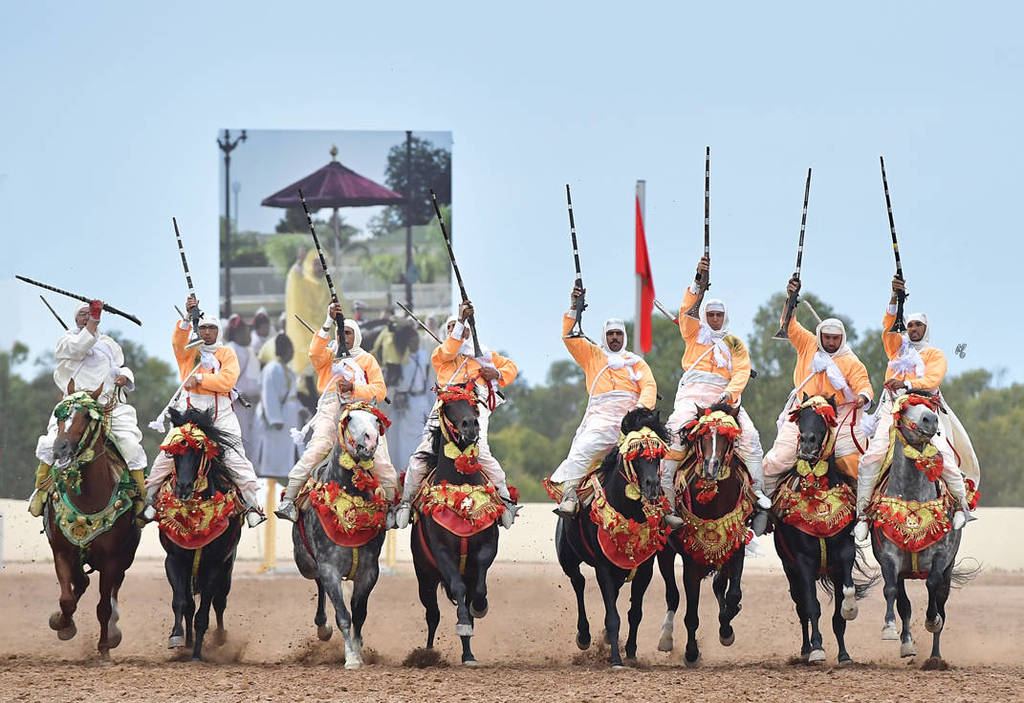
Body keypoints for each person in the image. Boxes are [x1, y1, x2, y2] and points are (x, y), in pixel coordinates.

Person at [854, 277, 977, 540]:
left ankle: (960, 506)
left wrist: (907, 383)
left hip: (925, 408)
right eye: (909, 325)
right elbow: (888, 329)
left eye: (918, 325)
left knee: (945, 457)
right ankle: (863, 515)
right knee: (871, 458)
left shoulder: (935, 354)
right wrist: (894, 298)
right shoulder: (896, 350)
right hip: (893, 409)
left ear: (926, 328)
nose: (913, 329)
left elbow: (932, 380)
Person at [394, 301, 518, 529]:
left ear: (470, 332)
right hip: (446, 405)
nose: (455, 331)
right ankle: (406, 502)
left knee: (482, 451)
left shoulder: (484, 354)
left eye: (459, 328)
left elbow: (511, 367)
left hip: (475, 405)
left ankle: (505, 499)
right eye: (450, 328)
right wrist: (460, 320)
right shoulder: (441, 354)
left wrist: (496, 373)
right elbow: (451, 348)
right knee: (421, 454)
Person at [661, 256, 771, 513]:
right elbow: (686, 310)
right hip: (692, 396)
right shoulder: (693, 332)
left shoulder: (734, 342)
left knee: (751, 436)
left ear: (725, 317)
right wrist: (698, 282)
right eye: (710, 315)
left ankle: (757, 490)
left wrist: (729, 395)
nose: (714, 319)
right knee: (674, 431)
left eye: (718, 315)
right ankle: (665, 495)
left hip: (725, 399)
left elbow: (741, 371)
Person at [145, 296, 265, 527]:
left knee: (236, 459)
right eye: (203, 328)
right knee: (166, 456)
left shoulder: (226, 353)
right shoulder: (190, 351)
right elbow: (177, 342)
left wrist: (200, 379)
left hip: (221, 415)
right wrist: (186, 317)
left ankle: (252, 506)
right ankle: (149, 501)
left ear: (218, 331)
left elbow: (227, 381)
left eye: (212, 328)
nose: (207, 332)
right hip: (189, 413)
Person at [275, 303, 397, 521]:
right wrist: (328, 322)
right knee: (318, 447)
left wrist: (354, 388)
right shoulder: (329, 355)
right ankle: (289, 500)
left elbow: (380, 391)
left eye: (348, 333)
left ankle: (391, 508)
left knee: (379, 459)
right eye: (340, 332)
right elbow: (314, 353)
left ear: (356, 336)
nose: (343, 336)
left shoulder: (367, 359)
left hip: (361, 409)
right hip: (330, 406)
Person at [548, 285, 658, 517]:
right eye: (610, 334)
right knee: (581, 450)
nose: (614, 337)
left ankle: (664, 505)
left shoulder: (636, 361)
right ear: (604, 337)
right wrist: (574, 307)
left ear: (624, 336)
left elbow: (649, 386)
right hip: (601, 420)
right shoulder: (592, 355)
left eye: (618, 334)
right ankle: (570, 496)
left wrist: (639, 410)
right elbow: (570, 338)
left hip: (632, 423)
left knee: (657, 453)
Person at [30, 301, 147, 517]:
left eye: (89, 314)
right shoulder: (67, 341)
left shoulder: (108, 343)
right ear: (76, 319)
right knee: (50, 443)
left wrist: (125, 377)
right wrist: (93, 321)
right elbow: (79, 347)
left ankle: (141, 498)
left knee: (131, 446)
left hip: (109, 406)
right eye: (83, 314)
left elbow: (120, 366)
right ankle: (41, 492)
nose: (86, 317)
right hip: (75, 405)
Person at [762, 276, 873, 494]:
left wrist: (862, 397)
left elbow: (864, 385)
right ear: (820, 335)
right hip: (803, 412)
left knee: (854, 465)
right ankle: (762, 503)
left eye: (835, 338)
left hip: (838, 417)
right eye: (827, 337)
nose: (830, 342)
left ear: (842, 338)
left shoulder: (851, 361)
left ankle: (862, 508)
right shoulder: (808, 343)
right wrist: (790, 298)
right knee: (778, 459)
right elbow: (790, 326)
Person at [253, 333, 303, 478]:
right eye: (291, 348)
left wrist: (301, 409)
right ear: (285, 349)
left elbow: (292, 395)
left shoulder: (288, 370)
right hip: (277, 418)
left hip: (289, 417)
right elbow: (269, 394)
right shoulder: (272, 368)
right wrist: (275, 418)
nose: (292, 352)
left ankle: (284, 474)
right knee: (273, 449)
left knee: (285, 450)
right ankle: (271, 476)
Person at [285, 247, 339, 375]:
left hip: (329, 336)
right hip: (308, 335)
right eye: (316, 264)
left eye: (322, 263)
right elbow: (294, 278)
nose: (320, 267)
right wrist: (299, 261)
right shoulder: (304, 283)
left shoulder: (330, 285)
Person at [226, 314, 261, 460]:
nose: (248, 334)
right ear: (237, 333)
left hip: (251, 404)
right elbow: (226, 380)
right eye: (246, 330)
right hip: (237, 404)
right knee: (239, 439)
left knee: (252, 441)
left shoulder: (249, 350)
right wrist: (242, 394)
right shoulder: (230, 350)